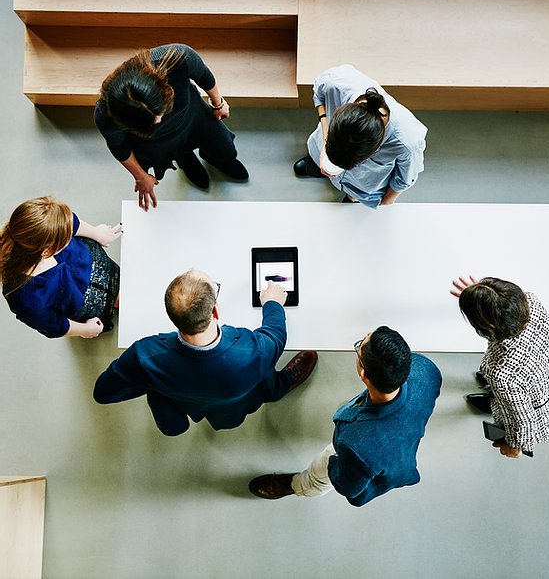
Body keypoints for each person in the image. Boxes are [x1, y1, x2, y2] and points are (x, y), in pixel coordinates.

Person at [93, 269, 317, 436]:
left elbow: (103, 393)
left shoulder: (144, 356)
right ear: (216, 311)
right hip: (237, 402)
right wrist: (273, 304)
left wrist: (153, 384)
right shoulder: (252, 349)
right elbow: (276, 335)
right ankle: (281, 385)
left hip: (191, 403)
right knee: (265, 377)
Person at [249, 326, 441, 507]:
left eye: (359, 347)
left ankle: (297, 485)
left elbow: (348, 486)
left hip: (369, 459)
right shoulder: (426, 369)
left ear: (364, 374)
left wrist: (333, 463)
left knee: (319, 473)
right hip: (398, 443)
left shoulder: (356, 445)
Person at [94, 43, 248, 211]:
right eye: (151, 122)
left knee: (225, 149)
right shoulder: (106, 114)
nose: (159, 121)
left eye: (160, 113)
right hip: (154, 142)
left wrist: (218, 103)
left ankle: (217, 159)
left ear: (164, 88)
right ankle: (186, 159)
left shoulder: (178, 59)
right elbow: (119, 146)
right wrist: (140, 176)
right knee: (179, 153)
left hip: (192, 118)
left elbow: (203, 75)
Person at [450, 275, 549, 458]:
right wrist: (483, 298)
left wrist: (516, 446)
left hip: (541, 416)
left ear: (488, 324)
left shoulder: (502, 375)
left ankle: (497, 401)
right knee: (502, 387)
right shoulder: (531, 301)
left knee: (507, 401)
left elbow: (522, 419)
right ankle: (496, 398)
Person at [293, 64, 427, 208]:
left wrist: (386, 201)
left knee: (355, 196)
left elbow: (404, 179)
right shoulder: (336, 83)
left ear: (375, 149)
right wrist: (325, 140)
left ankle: (352, 197)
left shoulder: (407, 142)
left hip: (362, 185)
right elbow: (319, 93)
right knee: (315, 163)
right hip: (320, 149)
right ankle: (315, 164)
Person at [1, 196, 122, 338]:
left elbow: (71, 221)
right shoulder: (24, 299)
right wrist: (84, 330)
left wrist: (97, 234)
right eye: (66, 237)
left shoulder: (46, 221)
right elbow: (54, 325)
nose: (71, 233)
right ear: (48, 251)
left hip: (90, 261)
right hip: (86, 301)